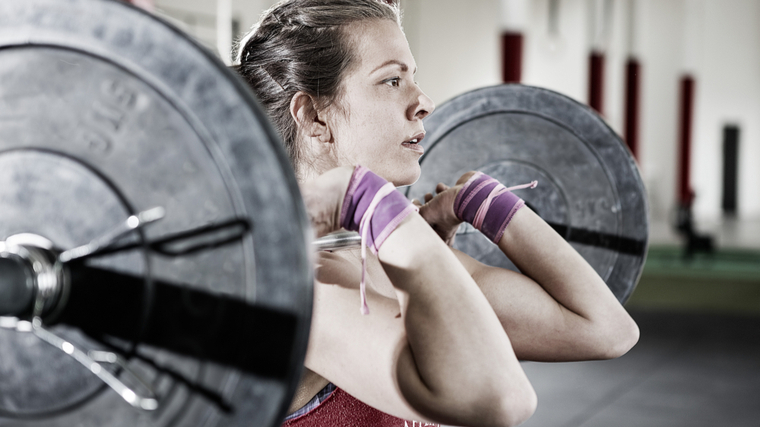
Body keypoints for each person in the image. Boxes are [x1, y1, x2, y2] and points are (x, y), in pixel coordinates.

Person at [234, 1, 639, 426]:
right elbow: (502, 401)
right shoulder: (293, 286)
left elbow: (606, 329)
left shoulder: (390, 259)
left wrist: (482, 201)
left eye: (412, 78)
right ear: (315, 116)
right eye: (392, 80)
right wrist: (380, 208)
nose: (423, 101)